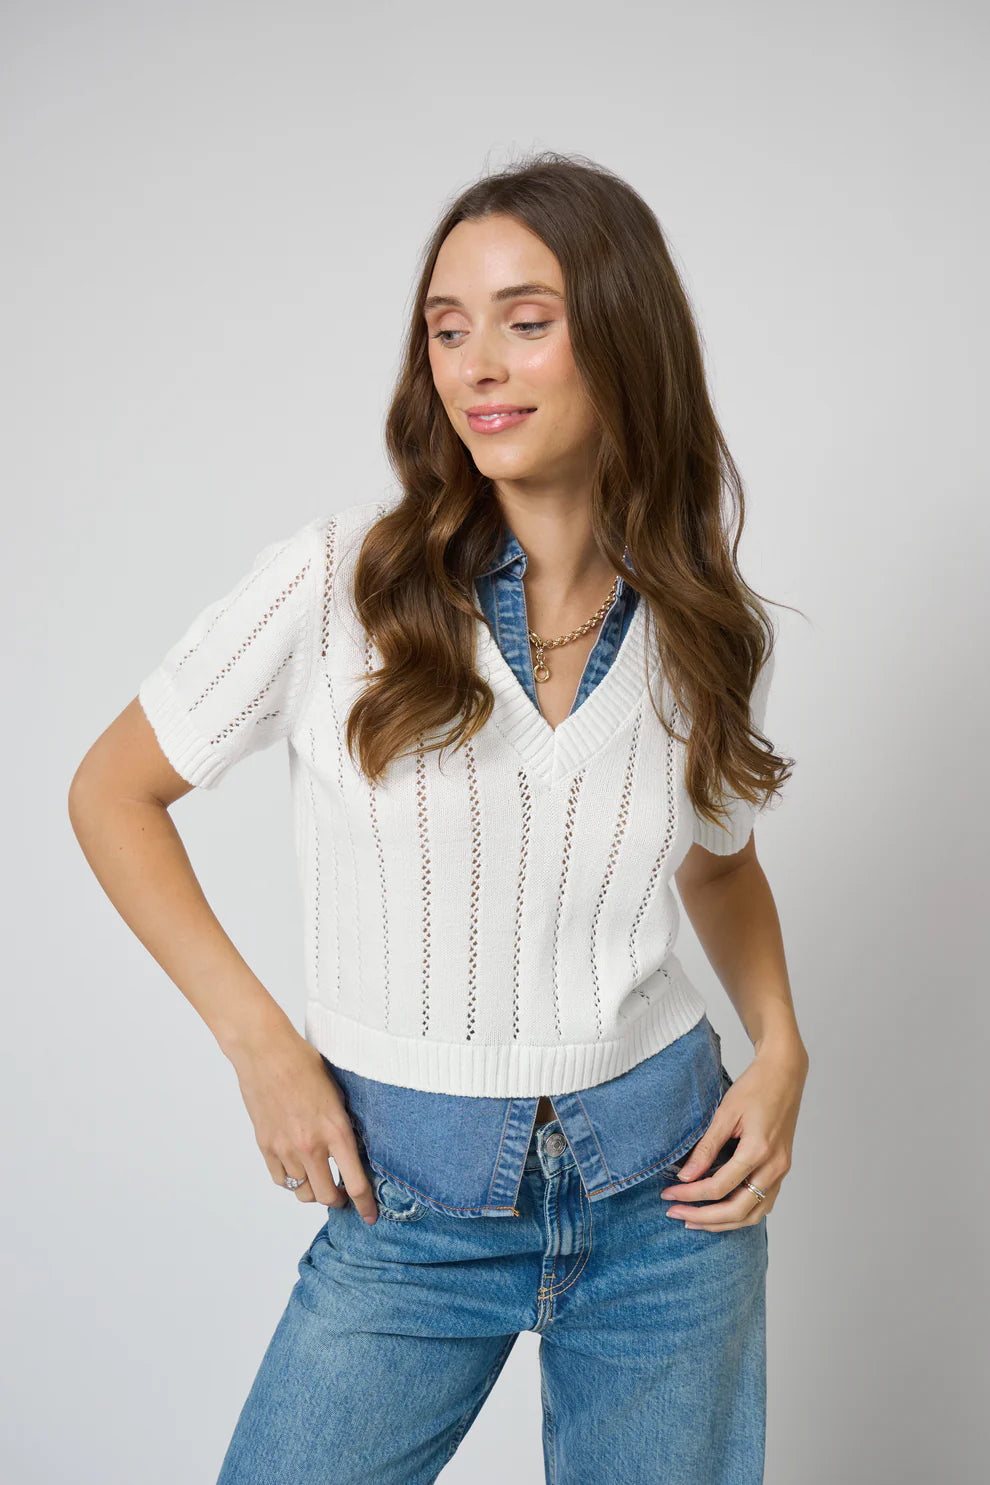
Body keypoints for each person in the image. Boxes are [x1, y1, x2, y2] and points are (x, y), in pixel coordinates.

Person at [68, 151, 808, 1484]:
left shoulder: (700, 625)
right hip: (409, 1202)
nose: (478, 366)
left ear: (624, 338)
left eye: (526, 322)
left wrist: (782, 1046)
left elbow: (718, 865)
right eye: (448, 329)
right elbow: (112, 791)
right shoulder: (337, 581)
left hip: (671, 1194)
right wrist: (260, 1045)